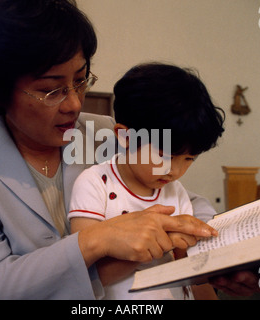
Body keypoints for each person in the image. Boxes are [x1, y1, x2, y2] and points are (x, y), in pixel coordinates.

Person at [0, 0, 260, 299]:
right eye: (52, 89)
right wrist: (94, 241)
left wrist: (228, 254)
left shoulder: (106, 133)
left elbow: (184, 202)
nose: (73, 104)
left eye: (81, 79)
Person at [68, 62, 223, 300]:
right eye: (165, 156)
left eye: (189, 158)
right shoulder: (95, 184)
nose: (175, 171)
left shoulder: (176, 193)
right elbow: (85, 277)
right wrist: (159, 244)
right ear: (124, 137)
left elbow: (192, 272)